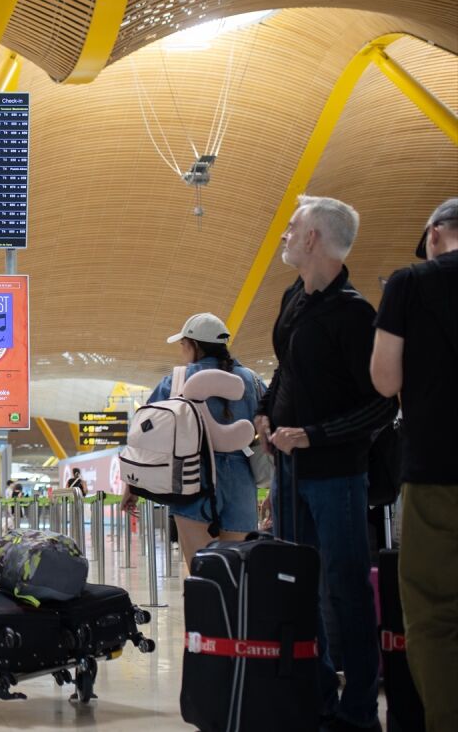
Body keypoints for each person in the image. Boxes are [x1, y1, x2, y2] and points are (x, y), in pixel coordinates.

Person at [255, 195, 398, 732]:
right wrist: (266, 411)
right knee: (298, 586)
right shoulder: (294, 297)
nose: (285, 234)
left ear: (313, 238)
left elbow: (383, 404)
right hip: (290, 475)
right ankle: (315, 697)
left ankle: (358, 711)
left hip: (337, 476)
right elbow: (287, 369)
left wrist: (312, 436)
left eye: (292, 227)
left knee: (346, 589)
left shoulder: (355, 314)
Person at [370, 197, 458, 732]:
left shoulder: (409, 283)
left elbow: (384, 381)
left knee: (432, 612)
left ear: (434, 234)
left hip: (435, 472)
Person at [134, 312, 265, 569]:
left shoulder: (175, 381)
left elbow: (145, 433)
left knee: (201, 569)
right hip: (241, 480)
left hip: (192, 479)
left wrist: (132, 487)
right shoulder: (253, 381)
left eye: (183, 344)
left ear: (193, 345)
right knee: (236, 570)